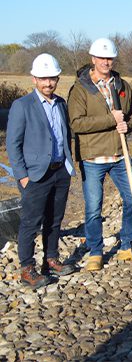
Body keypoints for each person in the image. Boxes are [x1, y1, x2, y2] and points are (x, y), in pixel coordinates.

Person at [68, 38, 132, 271]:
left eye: (109, 58)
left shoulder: (121, 85)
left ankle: (127, 244)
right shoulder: (81, 88)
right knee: (93, 207)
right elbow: (76, 123)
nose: (106, 62)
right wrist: (111, 119)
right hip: (92, 158)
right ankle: (96, 251)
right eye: (102, 58)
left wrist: (127, 125)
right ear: (93, 59)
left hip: (119, 155)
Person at [6, 54, 77, 288]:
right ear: (34, 79)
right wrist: (22, 176)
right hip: (35, 175)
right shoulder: (22, 106)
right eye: (44, 79)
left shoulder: (61, 103)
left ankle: (51, 259)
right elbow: (13, 144)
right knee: (30, 222)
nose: (49, 83)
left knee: (54, 220)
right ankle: (27, 268)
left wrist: (68, 165)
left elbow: (64, 135)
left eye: (52, 79)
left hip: (59, 172)